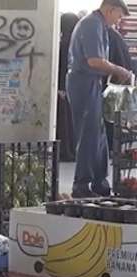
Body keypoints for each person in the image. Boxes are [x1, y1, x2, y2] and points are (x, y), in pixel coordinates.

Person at [70, 0, 134, 197]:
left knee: (99, 137)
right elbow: (95, 61)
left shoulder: (100, 26)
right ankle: (81, 185)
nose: (119, 20)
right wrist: (119, 70)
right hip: (84, 82)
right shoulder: (92, 24)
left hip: (93, 83)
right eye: (119, 15)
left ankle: (100, 183)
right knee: (89, 134)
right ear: (110, 9)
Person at [61, 12, 82, 161]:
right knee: (74, 122)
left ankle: (66, 151)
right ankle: (74, 151)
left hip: (62, 89)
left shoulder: (62, 44)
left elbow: (60, 68)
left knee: (64, 123)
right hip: (74, 88)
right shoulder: (76, 44)